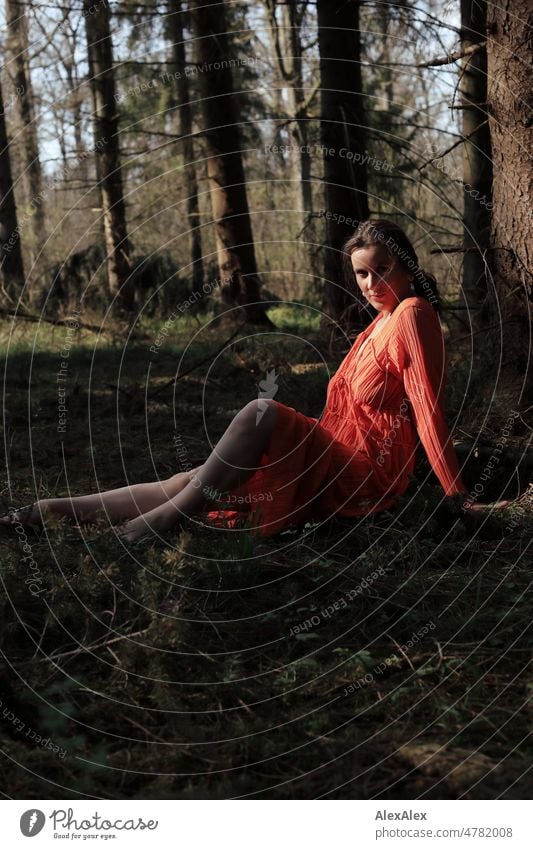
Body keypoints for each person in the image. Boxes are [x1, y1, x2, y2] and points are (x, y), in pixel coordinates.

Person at [0, 219, 509, 542]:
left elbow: (426, 407)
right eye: (361, 274)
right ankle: (46, 511)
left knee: (258, 414)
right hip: (330, 450)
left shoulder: (414, 314)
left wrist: (457, 496)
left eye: (383, 269)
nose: (372, 284)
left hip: (362, 470)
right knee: (194, 478)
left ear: (407, 265)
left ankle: (161, 523)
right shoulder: (378, 322)